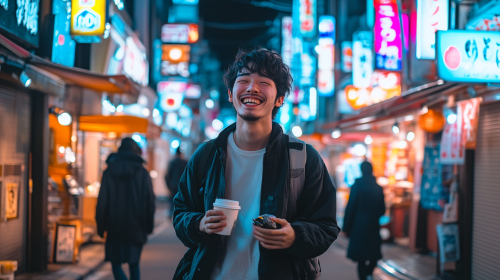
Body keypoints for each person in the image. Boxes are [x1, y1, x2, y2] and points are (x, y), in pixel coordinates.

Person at [173, 48, 340, 280]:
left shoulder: (304, 158)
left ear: (279, 99)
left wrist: (294, 236)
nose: (252, 88)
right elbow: (181, 211)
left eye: (264, 82)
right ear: (231, 94)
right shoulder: (207, 155)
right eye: (244, 81)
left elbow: (326, 226)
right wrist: (199, 223)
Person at [96, 137, 156, 280]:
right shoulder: (143, 173)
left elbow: (102, 202)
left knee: (115, 264)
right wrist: (148, 227)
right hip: (137, 227)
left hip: (114, 226)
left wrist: (100, 226)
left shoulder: (109, 171)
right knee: (134, 264)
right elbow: (150, 202)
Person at [343, 161, 386, 280]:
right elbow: (382, 210)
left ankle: (364, 277)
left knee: (360, 258)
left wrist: (346, 227)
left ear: (361, 171)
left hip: (358, 226)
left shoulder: (356, 186)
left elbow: (351, 207)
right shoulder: (378, 188)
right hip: (373, 226)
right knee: (373, 255)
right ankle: (369, 275)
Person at [165, 147, 188, 219]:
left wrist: (169, 186)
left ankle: (170, 215)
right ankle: (180, 217)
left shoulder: (172, 162)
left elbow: (167, 175)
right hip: (182, 186)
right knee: (182, 202)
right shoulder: (185, 162)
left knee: (172, 200)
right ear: (181, 153)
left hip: (173, 185)